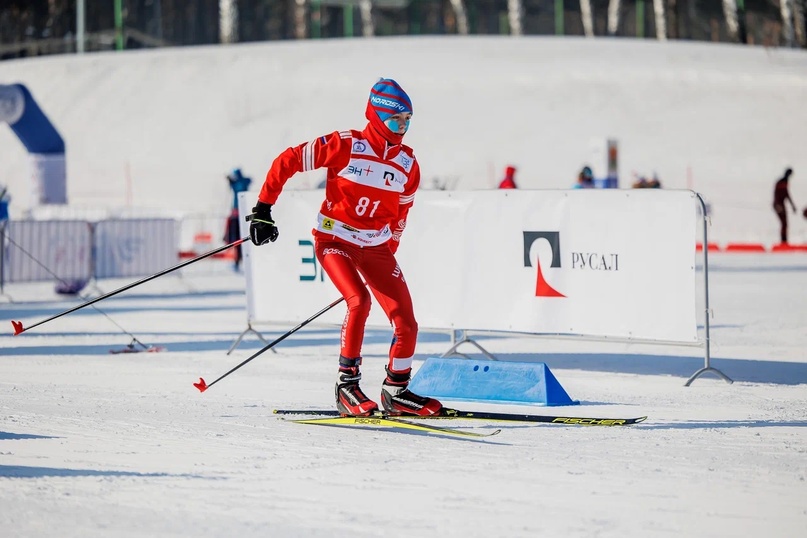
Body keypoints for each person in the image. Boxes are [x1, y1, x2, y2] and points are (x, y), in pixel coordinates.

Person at [247, 78, 443, 418]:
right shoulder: (346, 144)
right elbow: (289, 159)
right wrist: (263, 208)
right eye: (397, 120)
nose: (403, 127)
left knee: (407, 321)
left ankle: (396, 391)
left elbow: (401, 214)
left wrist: (389, 249)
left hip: (376, 248)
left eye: (408, 121)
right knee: (359, 301)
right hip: (335, 240)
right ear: (379, 116)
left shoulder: (408, 164)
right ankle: (346, 385)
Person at [225, 169, 252, 270]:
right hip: (238, 214)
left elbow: (239, 186)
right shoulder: (241, 182)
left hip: (238, 215)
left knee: (238, 239)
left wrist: (231, 181)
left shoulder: (239, 183)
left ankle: (239, 260)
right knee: (237, 240)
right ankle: (238, 260)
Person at [773, 168, 797, 244]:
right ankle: (783, 241)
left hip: (780, 204)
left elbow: (786, 194)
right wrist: (778, 205)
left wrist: (792, 205)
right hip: (779, 205)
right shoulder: (781, 182)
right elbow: (779, 194)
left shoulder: (784, 182)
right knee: (784, 223)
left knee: (785, 223)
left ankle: (784, 241)